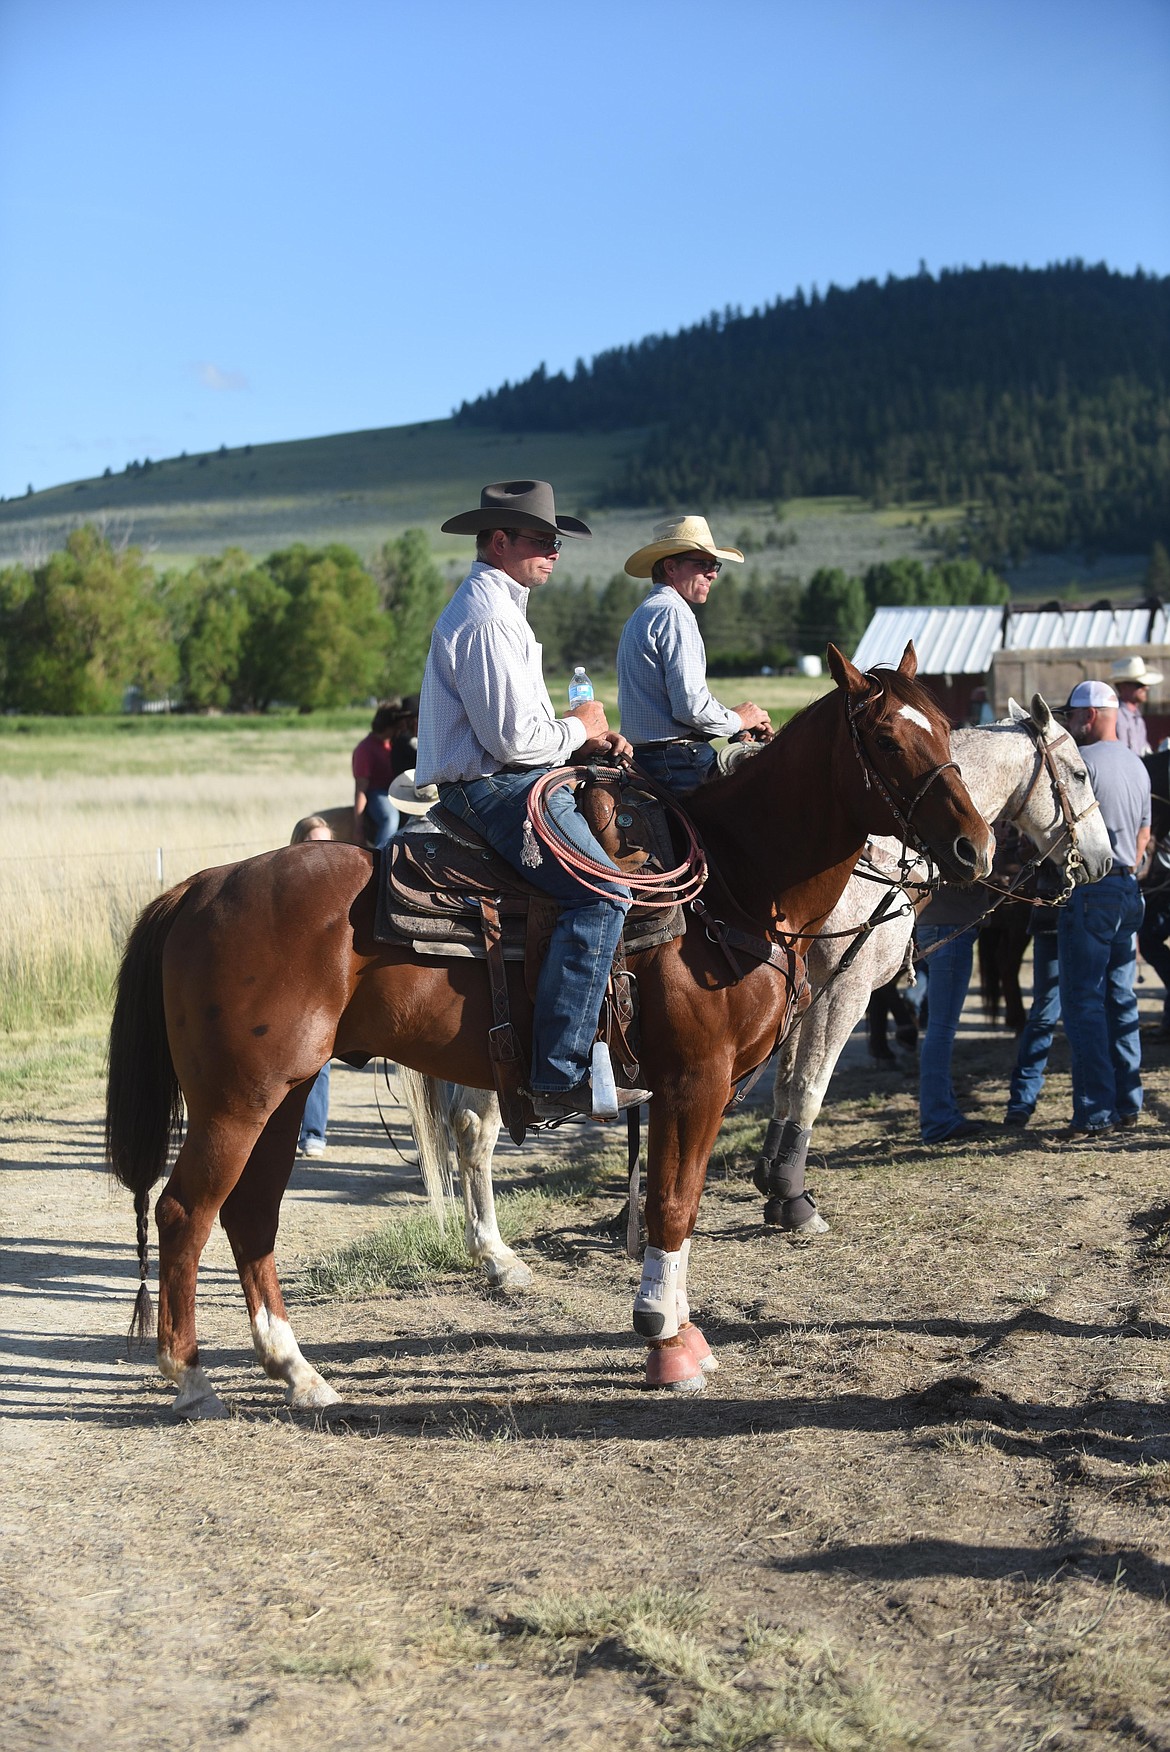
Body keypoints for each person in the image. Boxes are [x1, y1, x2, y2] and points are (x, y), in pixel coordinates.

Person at [414, 480, 651, 1122]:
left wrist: (585, 740)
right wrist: (582, 727)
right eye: (540, 540)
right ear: (498, 541)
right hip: (493, 790)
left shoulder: (502, 609)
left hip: (505, 778)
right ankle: (558, 1072)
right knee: (604, 895)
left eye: (555, 540)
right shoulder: (489, 618)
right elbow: (516, 742)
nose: (553, 551)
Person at [1054, 679, 1150, 1136]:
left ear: (1088, 716)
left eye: (1071, 716)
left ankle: (1095, 1112)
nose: (1069, 725)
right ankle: (1129, 1104)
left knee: (1083, 1003)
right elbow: (1145, 836)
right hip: (1130, 889)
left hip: (1092, 892)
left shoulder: (1081, 764)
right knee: (1121, 999)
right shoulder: (1137, 764)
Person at [617, 515, 772, 795]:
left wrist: (732, 721)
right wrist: (740, 720)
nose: (712, 573)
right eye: (701, 564)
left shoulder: (645, 612)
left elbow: (673, 709)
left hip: (649, 760)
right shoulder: (673, 613)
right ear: (671, 567)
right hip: (679, 762)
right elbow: (691, 708)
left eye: (714, 566)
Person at [915, 882, 989, 1143]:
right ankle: (938, 1119)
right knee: (942, 1029)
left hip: (939, 924)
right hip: (951, 927)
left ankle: (942, 1112)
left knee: (940, 1028)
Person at [290, 815, 336, 1155]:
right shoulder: (282, 885)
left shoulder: (337, 887)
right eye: (312, 843)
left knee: (318, 1063)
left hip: (319, 991)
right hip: (288, 988)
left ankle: (313, 1132)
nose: (319, 851)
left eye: (326, 843)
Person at [352, 699, 415, 849]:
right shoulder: (365, 749)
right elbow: (361, 788)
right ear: (391, 726)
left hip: (397, 791)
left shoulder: (395, 744)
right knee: (390, 818)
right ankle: (381, 857)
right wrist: (358, 826)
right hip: (377, 793)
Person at [1110, 656, 1163, 758]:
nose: (1146, 688)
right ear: (1123, 687)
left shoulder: (1138, 718)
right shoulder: (1115, 715)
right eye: (1139, 684)